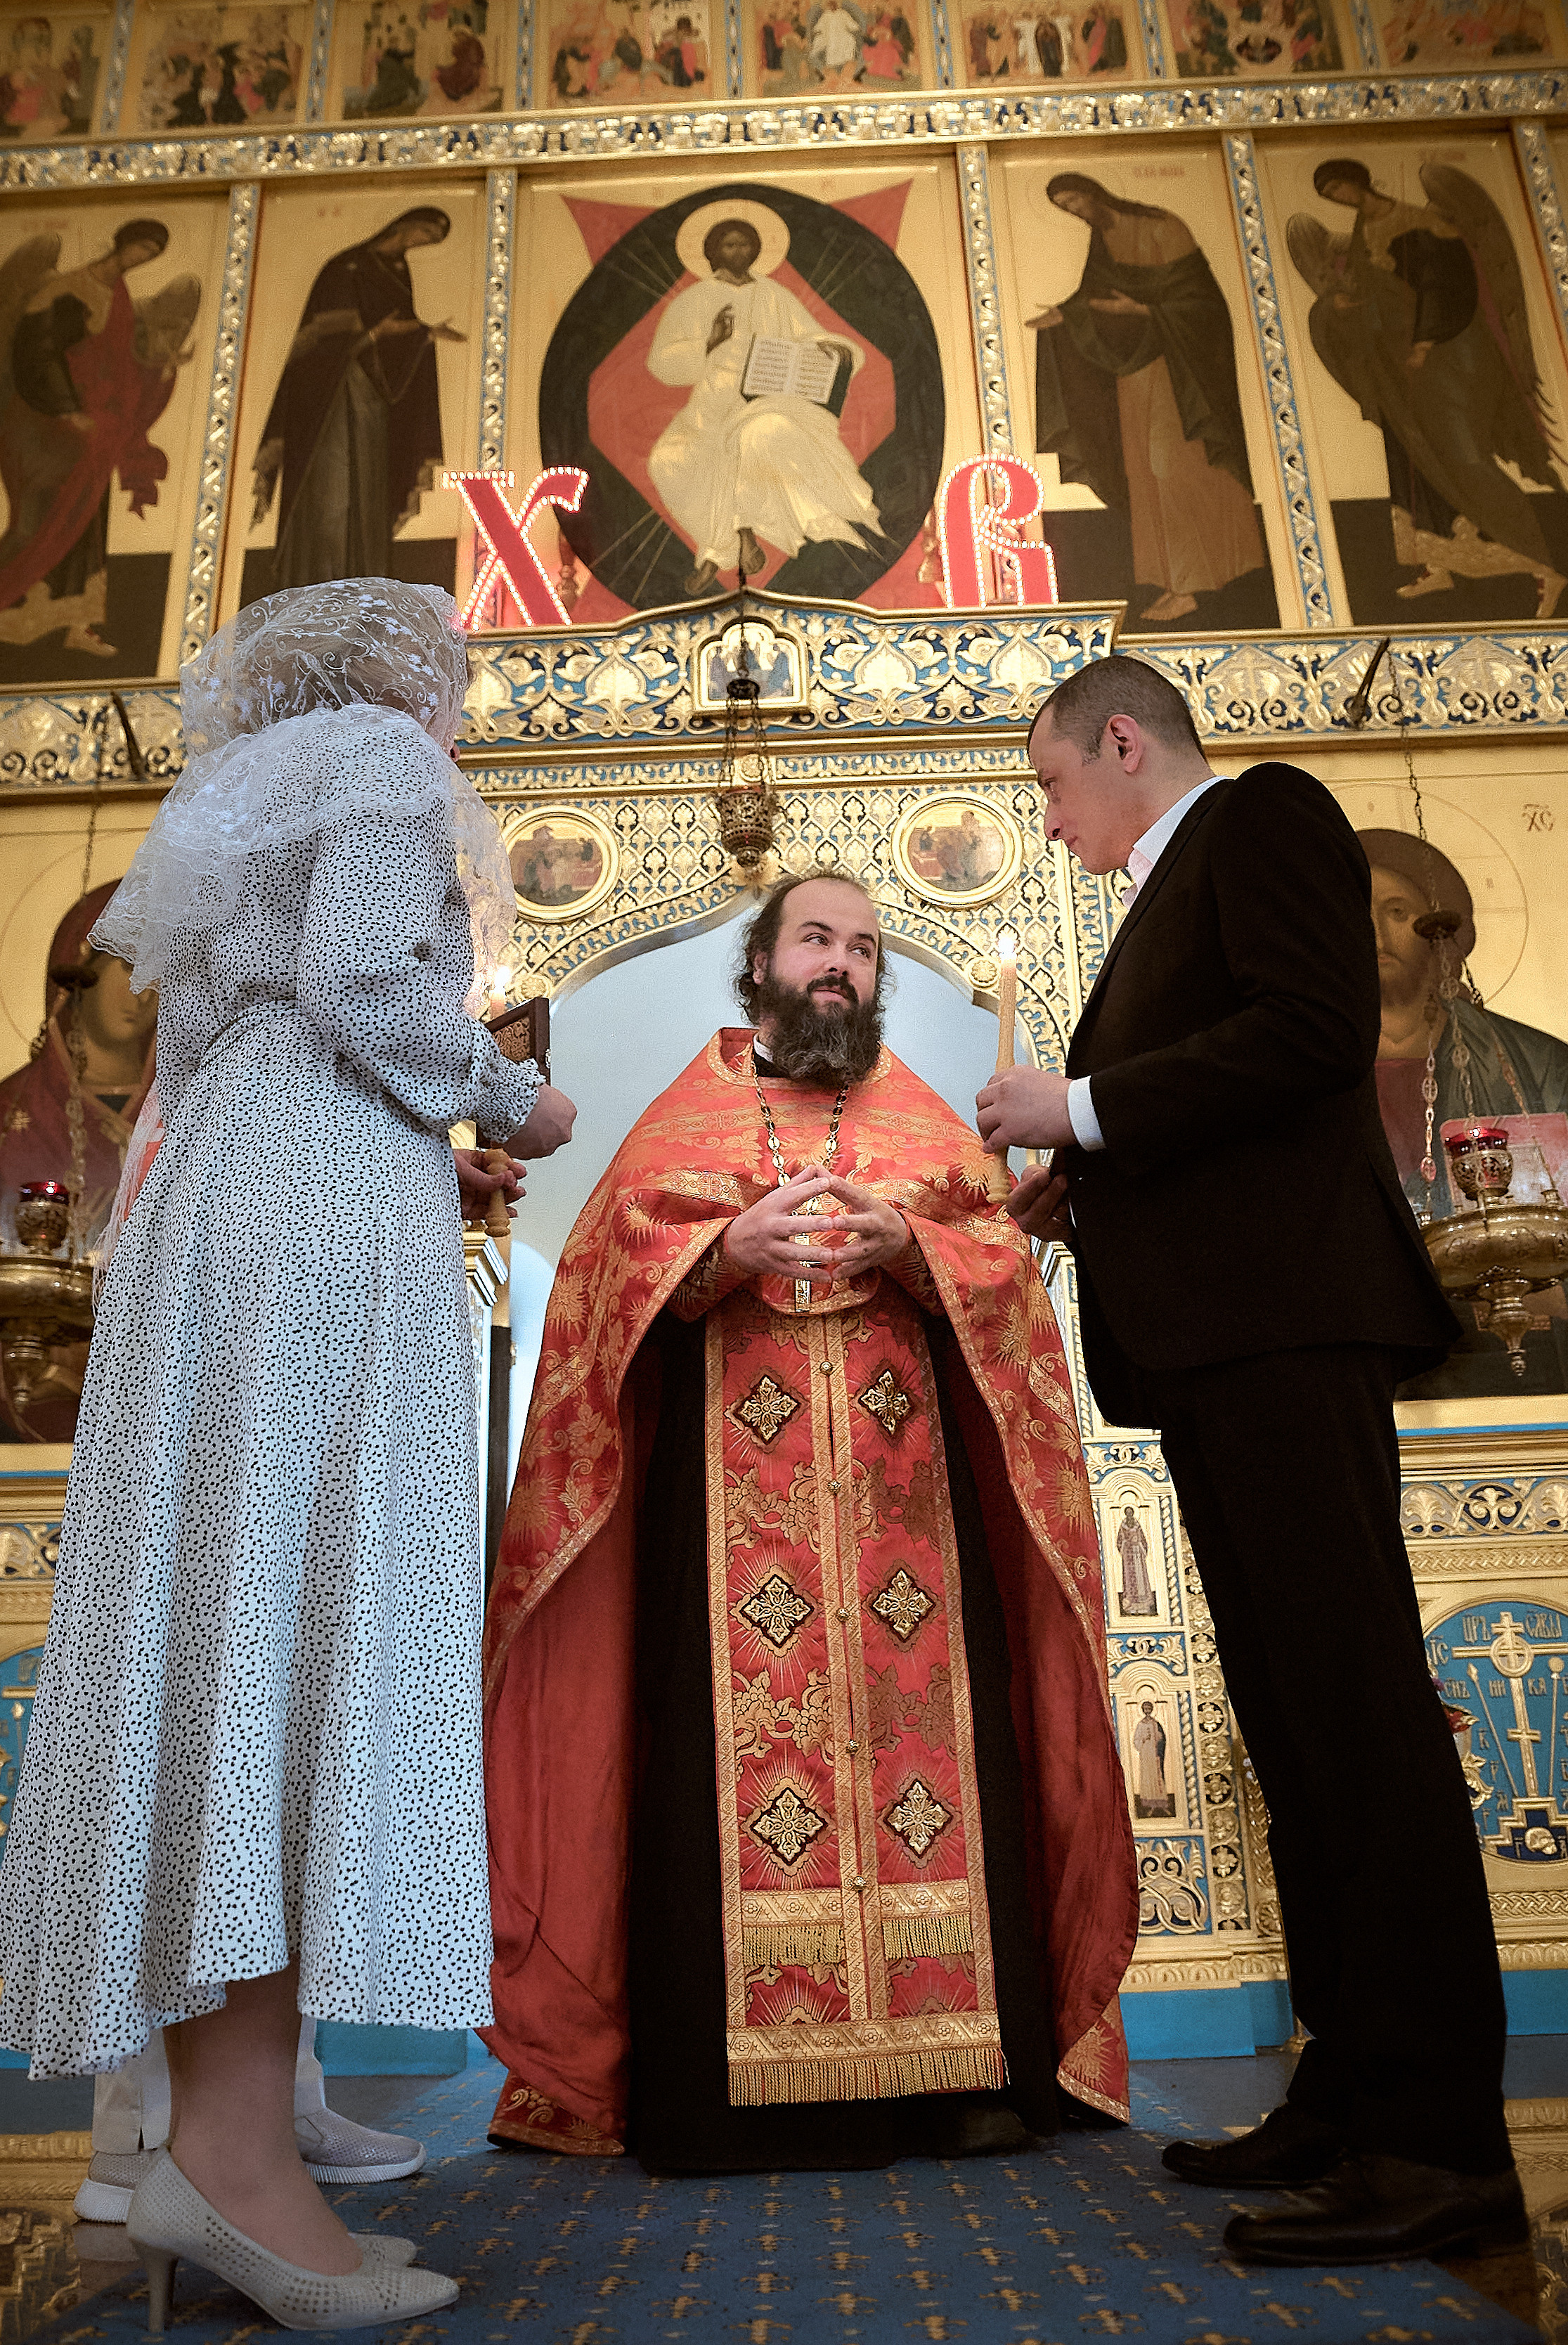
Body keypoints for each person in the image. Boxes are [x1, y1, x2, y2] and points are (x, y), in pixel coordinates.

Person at [0, 578, 575, 2330]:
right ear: (400, 676)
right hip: (323, 1231)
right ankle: (230, 2162)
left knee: (232, 1650)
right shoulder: (380, 763)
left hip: (213, 1221)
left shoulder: (232, 792)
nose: (457, 714)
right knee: (301, 1641)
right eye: (452, 680)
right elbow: (359, 982)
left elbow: (222, 1037)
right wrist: (507, 1094)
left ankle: (215, 2133)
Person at [977, 653, 1523, 2266]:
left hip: (1286, 1330)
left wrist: (1070, 1106)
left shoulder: (1261, 816)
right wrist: (1093, 1178)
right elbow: (1216, 1101)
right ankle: (1346, 2091)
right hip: (1221, 1341)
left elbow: (1302, 1030)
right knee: (1292, 1731)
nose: (1053, 821)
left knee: (1354, 1722)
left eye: (1054, 784)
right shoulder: (1160, 899)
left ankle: (1436, 2140)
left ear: (1121, 741)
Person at [481, 872, 1137, 2174]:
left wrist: (920, 1241)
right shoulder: (684, 1117)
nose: (842, 964)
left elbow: (1006, 1278)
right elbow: (607, 1285)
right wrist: (719, 1256)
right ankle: (728, 2093)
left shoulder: (923, 1126)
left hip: (915, 1547)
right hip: (726, 1535)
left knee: (938, 1771)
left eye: (864, 948)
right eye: (819, 939)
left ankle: (953, 2073)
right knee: (721, 1777)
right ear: (764, 965)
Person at [1286, 159, 1566, 618]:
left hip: (1450, 355)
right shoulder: (1360, 235)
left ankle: (1544, 566)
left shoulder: (1422, 222)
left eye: (1340, 187)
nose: (1339, 197)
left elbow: (1447, 287)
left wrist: (1424, 341)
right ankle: (1440, 562)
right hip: (1401, 367)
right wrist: (1339, 305)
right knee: (1412, 457)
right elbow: (1374, 293)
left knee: (1464, 455)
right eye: (1330, 194)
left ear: (1359, 181)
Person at [1361, 826, 1568, 1397]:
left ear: (1441, 933)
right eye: (1357, 911)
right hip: (1372, 1357)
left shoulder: (1538, 1065)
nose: (1376, 931)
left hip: (1530, 1350)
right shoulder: (1303, 1080)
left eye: (1398, 911)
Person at [1028, 177, 1265, 628]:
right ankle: (1174, 583)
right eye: (1065, 207)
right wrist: (1063, 316)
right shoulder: (1103, 241)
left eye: (1075, 200)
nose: (1075, 211)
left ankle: (1195, 580)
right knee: (1144, 472)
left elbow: (1202, 304)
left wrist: (1143, 312)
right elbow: (1094, 299)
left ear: (1095, 191)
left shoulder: (1162, 228)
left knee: (1173, 465)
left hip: (1180, 372)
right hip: (1137, 373)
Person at [647, 214, 882, 597]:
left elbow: (809, 336)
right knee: (667, 461)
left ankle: (724, 547)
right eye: (729, 245)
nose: (738, 251)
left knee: (747, 442)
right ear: (712, 252)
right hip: (713, 396)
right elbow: (663, 363)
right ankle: (721, 540)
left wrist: (830, 347)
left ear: (756, 249)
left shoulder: (776, 295)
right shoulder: (693, 300)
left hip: (770, 390)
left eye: (744, 244)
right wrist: (709, 342)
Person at [0, 879, 157, 1440]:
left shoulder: (189, 1122)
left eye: (156, 972)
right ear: (78, 977)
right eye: (126, 966)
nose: (143, 992)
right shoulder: (8, 1115)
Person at [0, 218, 197, 659]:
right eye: (141, 249)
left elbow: (120, 364)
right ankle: (11, 603)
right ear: (121, 244)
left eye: (152, 255)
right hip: (42, 425)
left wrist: (160, 367)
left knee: (87, 520)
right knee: (41, 516)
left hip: (91, 433)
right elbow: (35, 351)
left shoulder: (119, 298)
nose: (143, 259)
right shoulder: (68, 288)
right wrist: (67, 407)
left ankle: (76, 622)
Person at [250, 209, 461, 597]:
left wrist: (424, 333)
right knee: (332, 485)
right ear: (403, 224)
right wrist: (380, 332)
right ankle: (318, 584)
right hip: (331, 399)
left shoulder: (397, 273)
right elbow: (322, 342)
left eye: (431, 241)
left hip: (372, 397)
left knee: (367, 486)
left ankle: (361, 583)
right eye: (424, 233)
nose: (422, 243)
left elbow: (397, 336)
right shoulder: (345, 269)